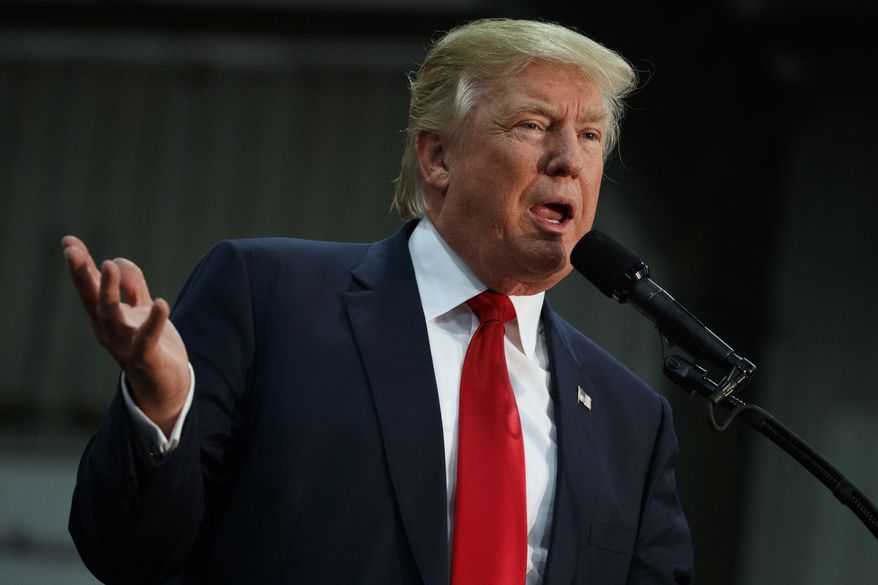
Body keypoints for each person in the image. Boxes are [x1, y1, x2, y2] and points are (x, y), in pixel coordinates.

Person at [63, 18, 693, 585]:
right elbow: (128, 555)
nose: (569, 161)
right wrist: (163, 410)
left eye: (590, 136)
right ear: (438, 156)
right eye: (533, 125)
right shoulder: (268, 297)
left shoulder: (629, 419)